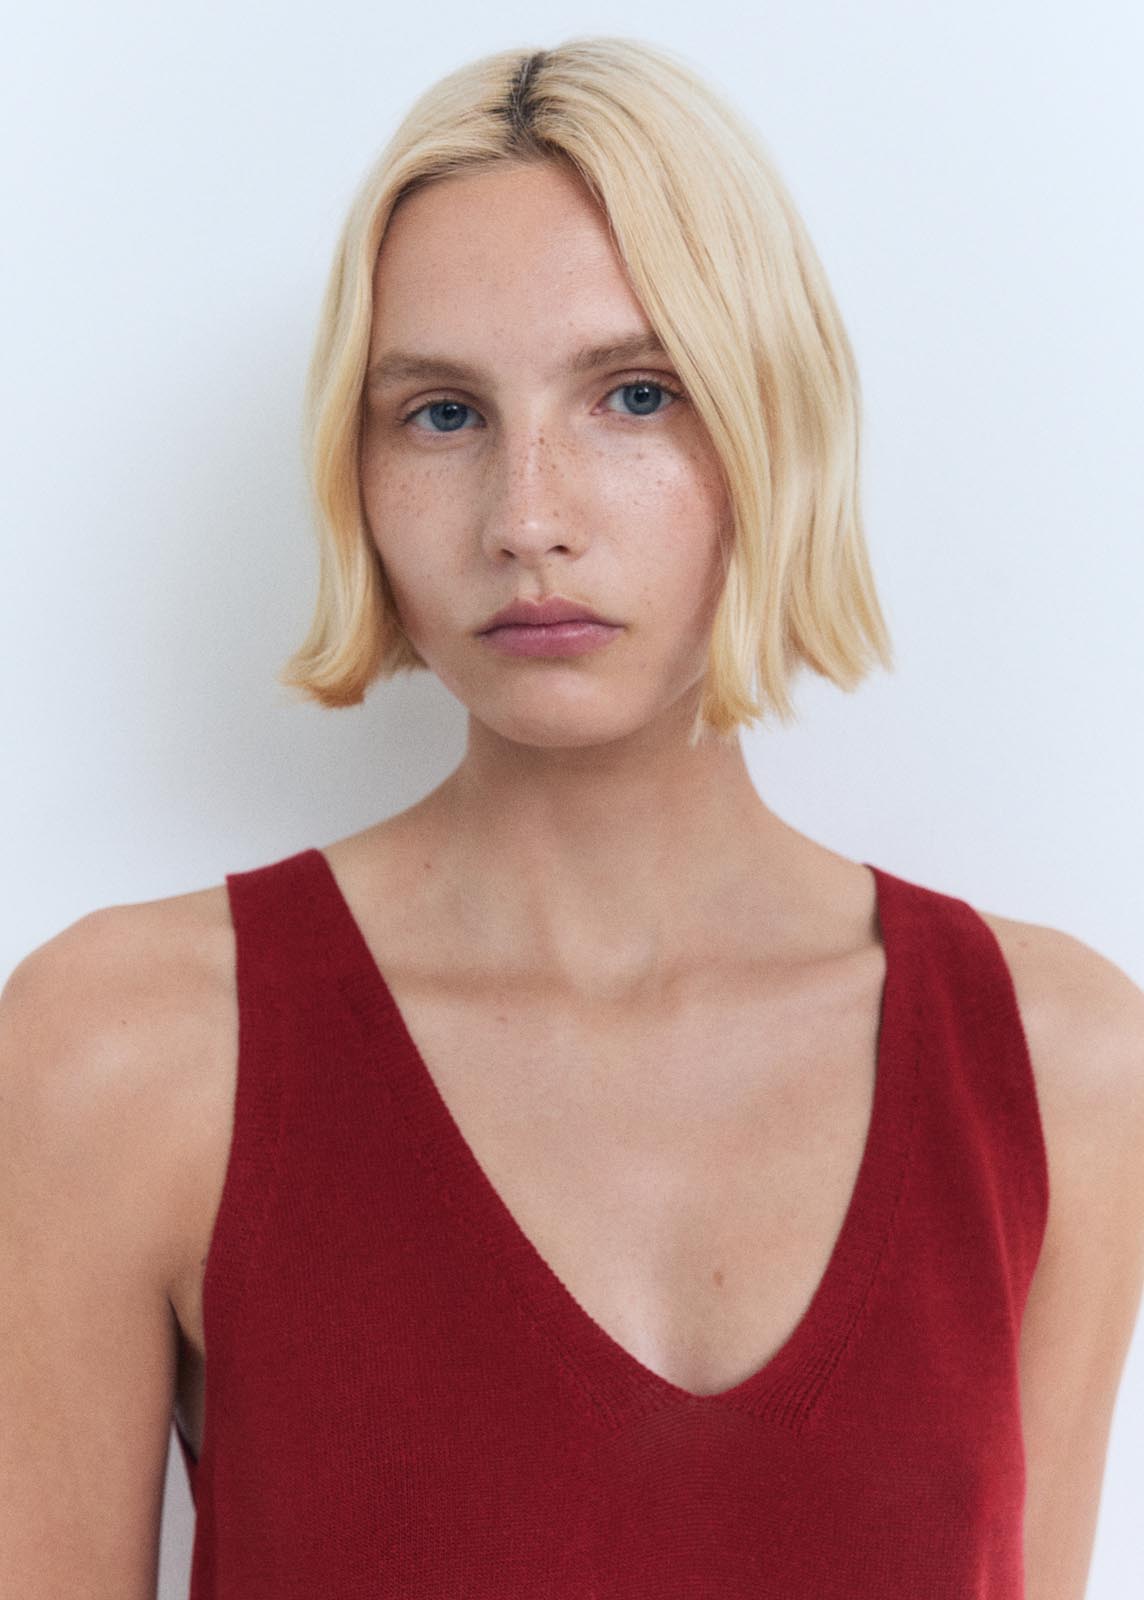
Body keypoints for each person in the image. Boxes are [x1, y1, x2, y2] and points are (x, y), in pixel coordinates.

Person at [2, 34, 1142, 1600]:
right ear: (356, 468)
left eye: (635, 394)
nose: (528, 516)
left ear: (775, 427)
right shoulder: (125, 1054)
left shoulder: (1062, 1068)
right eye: (442, 415)